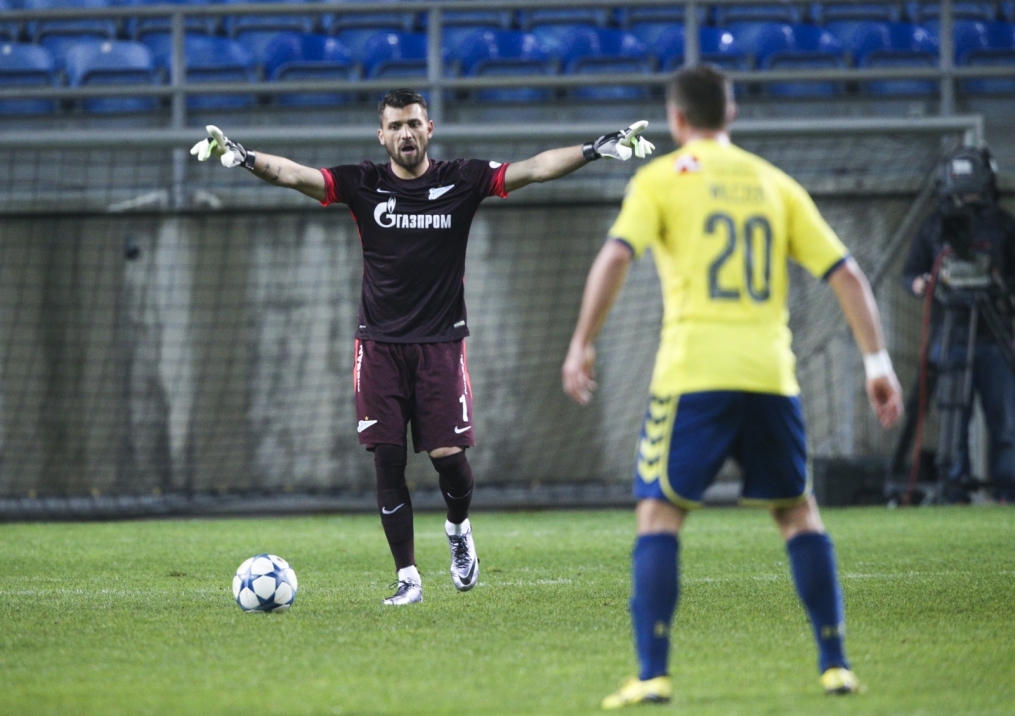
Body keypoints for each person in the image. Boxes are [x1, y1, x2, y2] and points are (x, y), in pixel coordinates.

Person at [191, 88, 655, 605]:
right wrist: (246, 157)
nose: (405, 133)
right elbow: (296, 175)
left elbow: (535, 168)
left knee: (448, 459)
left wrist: (596, 149)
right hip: (379, 346)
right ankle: (408, 577)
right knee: (386, 459)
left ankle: (459, 531)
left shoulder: (461, 179)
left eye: (414, 123)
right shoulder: (363, 183)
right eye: (395, 126)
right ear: (382, 135)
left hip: (440, 345)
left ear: (429, 129)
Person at [560, 66, 903, 709]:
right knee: (797, 513)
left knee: (659, 514)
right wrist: (877, 365)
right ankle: (835, 665)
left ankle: (654, 673)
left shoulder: (659, 179)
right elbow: (848, 274)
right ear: (732, 113)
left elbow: (614, 256)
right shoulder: (774, 183)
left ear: (676, 119)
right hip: (771, 377)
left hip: (692, 375)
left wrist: (582, 341)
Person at [901, 147, 1015, 504]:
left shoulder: (1003, 225)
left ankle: (1007, 489)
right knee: (953, 418)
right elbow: (910, 274)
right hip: (949, 333)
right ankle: (954, 490)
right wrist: (923, 284)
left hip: (994, 337)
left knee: (1006, 421)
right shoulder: (934, 225)